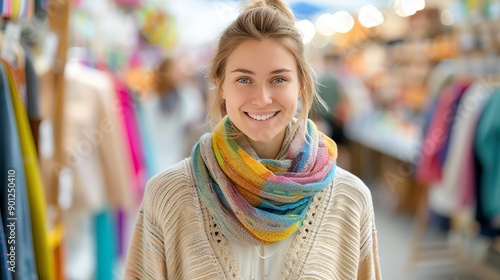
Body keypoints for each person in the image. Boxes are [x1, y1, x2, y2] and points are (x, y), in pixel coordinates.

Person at [124, 0, 381, 279]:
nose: (262, 98)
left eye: (278, 79)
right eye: (244, 80)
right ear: (221, 85)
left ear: (301, 85)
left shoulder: (350, 199)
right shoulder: (169, 195)